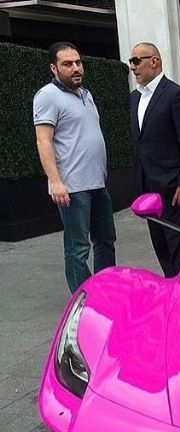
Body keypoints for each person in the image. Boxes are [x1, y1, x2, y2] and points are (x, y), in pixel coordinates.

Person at [33, 41, 116, 293]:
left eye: (78, 62)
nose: (75, 68)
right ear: (54, 68)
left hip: (97, 183)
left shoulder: (86, 95)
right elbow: (43, 141)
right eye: (67, 64)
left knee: (106, 241)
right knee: (78, 248)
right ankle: (83, 299)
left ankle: (105, 291)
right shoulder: (47, 96)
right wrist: (56, 182)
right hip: (72, 187)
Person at [129, 42, 180, 277]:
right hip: (147, 188)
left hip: (173, 187)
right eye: (131, 62)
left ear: (155, 61)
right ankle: (171, 283)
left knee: (177, 244)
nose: (133, 67)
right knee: (159, 243)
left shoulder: (175, 95)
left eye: (137, 61)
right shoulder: (134, 98)